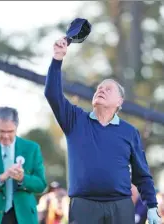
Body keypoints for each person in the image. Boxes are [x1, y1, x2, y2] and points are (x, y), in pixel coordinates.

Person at [44, 37, 161, 224]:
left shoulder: (129, 132)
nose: (101, 90)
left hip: (120, 206)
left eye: (108, 89)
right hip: (83, 206)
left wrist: (152, 207)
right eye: (99, 88)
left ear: (119, 102)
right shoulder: (75, 120)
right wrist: (57, 59)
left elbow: (142, 174)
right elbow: (52, 94)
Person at [0, 106, 47, 224]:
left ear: (16, 127)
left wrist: (22, 179)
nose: (5, 136)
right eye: (1, 131)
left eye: (10, 131)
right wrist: (1, 177)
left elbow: (41, 184)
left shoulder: (32, 149)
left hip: (23, 217)